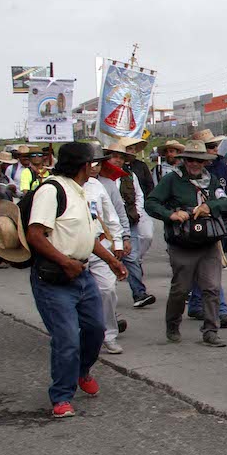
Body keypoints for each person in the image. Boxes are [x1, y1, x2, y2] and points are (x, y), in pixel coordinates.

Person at [22, 143, 127, 417]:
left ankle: (81, 372)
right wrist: (65, 261)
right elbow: (35, 235)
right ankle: (61, 396)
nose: (96, 167)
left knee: (95, 330)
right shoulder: (51, 190)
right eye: (93, 163)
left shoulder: (81, 191)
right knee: (67, 339)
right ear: (83, 166)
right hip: (55, 278)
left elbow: (87, 237)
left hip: (82, 275)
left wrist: (112, 261)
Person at [144, 139, 227, 348]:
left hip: (208, 242)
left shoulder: (212, 180)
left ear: (205, 162)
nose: (194, 164)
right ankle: (172, 324)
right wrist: (171, 214)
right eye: (190, 160)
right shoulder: (172, 180)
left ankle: (210, 330)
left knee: (212, 287)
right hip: (182, 243)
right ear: (184, 161)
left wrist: (208, 206)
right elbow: (151, 203)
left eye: (199, 161)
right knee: (181, 289)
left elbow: (226, 202)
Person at [186, 128, 227, 327]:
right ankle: (220, 310)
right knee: (207, 267)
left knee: (211, 265)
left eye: (215, 146)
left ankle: (198, 303)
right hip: (195, 227)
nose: (215, 150)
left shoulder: (221, 167)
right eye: (211, 147)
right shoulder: (186, 172)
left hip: (219, 224)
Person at [84, 144, 130, 355]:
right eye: (91, 163)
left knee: (107, 290)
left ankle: (109, 335)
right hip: (73, 249)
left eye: (98, 163)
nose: (94, 167)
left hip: (100, 247)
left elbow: (111, 216)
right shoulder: (60, 186)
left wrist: (118, 243)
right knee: (77, 294)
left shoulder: (98, 186)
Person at [101, 139, 157, 309]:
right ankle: (106, 297)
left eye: (121, 157)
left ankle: (139, 293)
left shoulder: (129, 175)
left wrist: (137, 213)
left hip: (127, 222)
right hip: (105, 226)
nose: (117, 160)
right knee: (104, 260)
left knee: (131, 257)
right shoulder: (99, 179)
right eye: (114, 156)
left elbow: (139, 195)